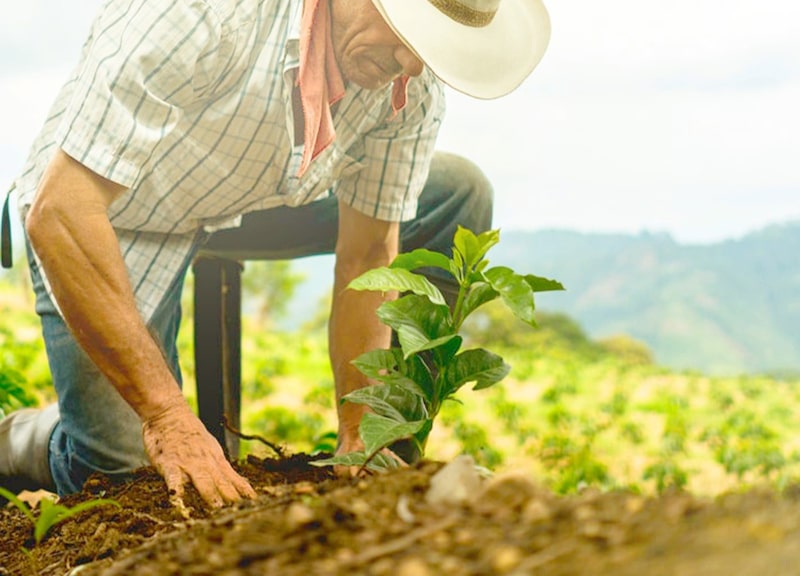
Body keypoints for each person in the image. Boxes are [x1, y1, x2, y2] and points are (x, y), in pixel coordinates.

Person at [0, 0, 550, 509]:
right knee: (126, 474)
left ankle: (384, 465)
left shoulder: (407, 84)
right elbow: (61, 211)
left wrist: (362, 424)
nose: (409, 63)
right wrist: (166, 415)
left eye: (430, 48)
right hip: (112, 210)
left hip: (252, 196)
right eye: (405, 32)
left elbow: (368, 254)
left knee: (458, 189)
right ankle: (23, 437)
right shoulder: (200, 14)